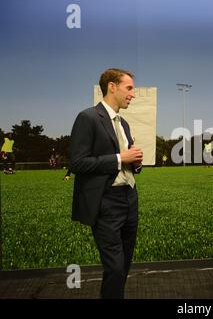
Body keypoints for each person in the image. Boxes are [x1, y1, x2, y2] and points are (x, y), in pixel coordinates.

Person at [69, 68, 144, 299]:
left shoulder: (125, 124)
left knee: (123, 265)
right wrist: (121, 158)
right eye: (129, 88)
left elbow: (127, 161)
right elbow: (78, 163)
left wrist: (135, 162)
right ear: (112, 86)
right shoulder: (88, 117)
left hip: (129, 199)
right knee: (114, 266)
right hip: (105, 202)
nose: (133, 94)